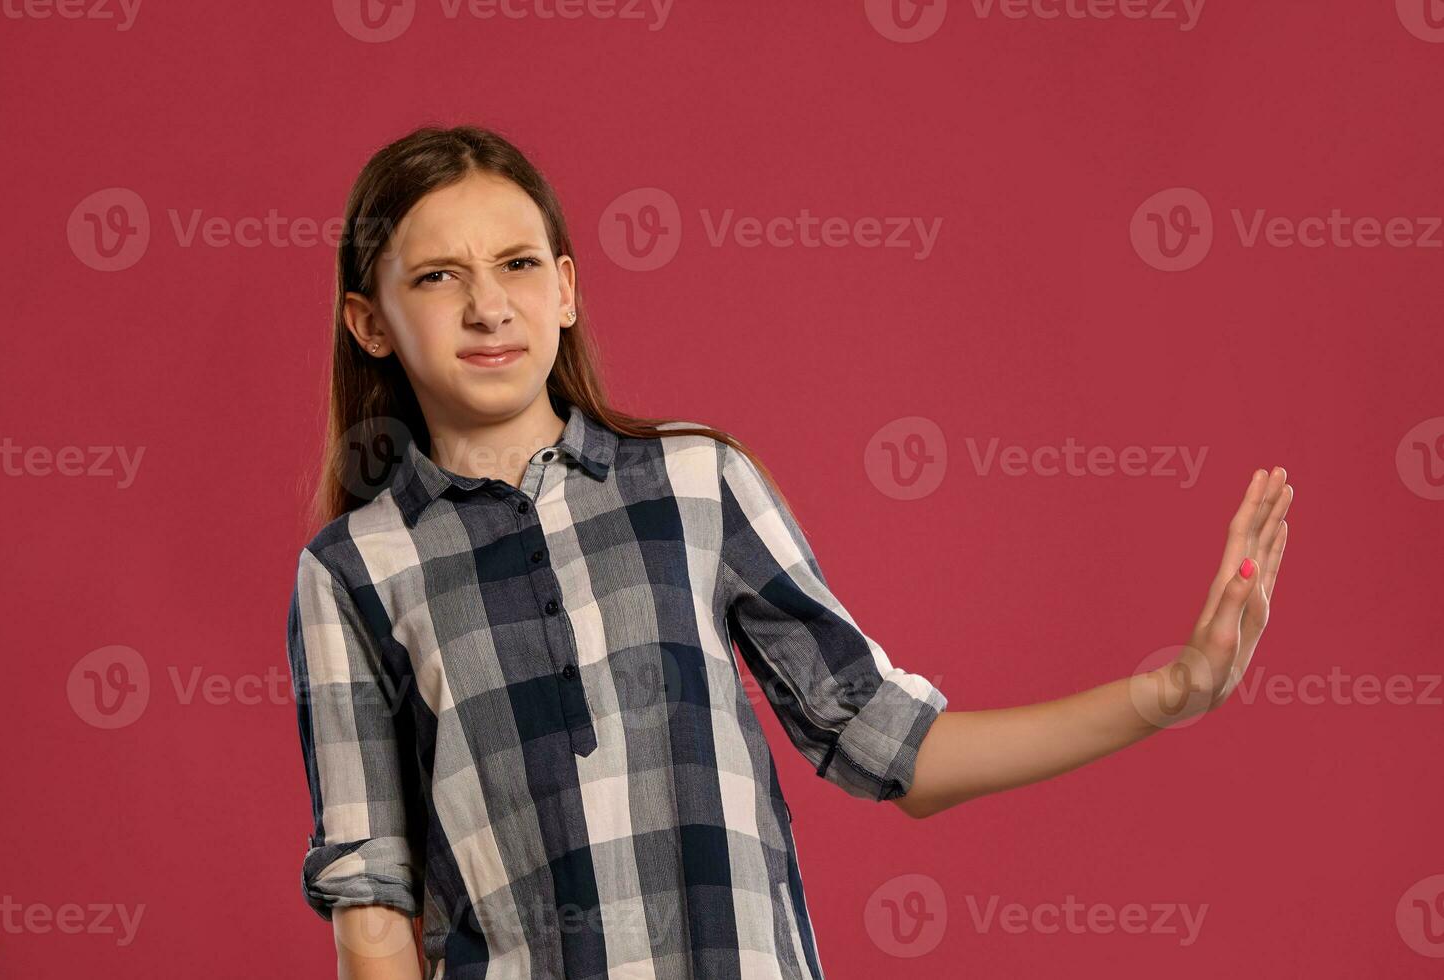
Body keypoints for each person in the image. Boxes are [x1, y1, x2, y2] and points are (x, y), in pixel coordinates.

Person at [284, 125, 1293, 980]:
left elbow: (893, 745)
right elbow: (372, 901)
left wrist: (1171, 692)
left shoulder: (695, 481)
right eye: (436, 275)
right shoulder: (354, 569)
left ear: (566, 288)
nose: (487, 305)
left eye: (515, 263)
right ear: (370, 321)